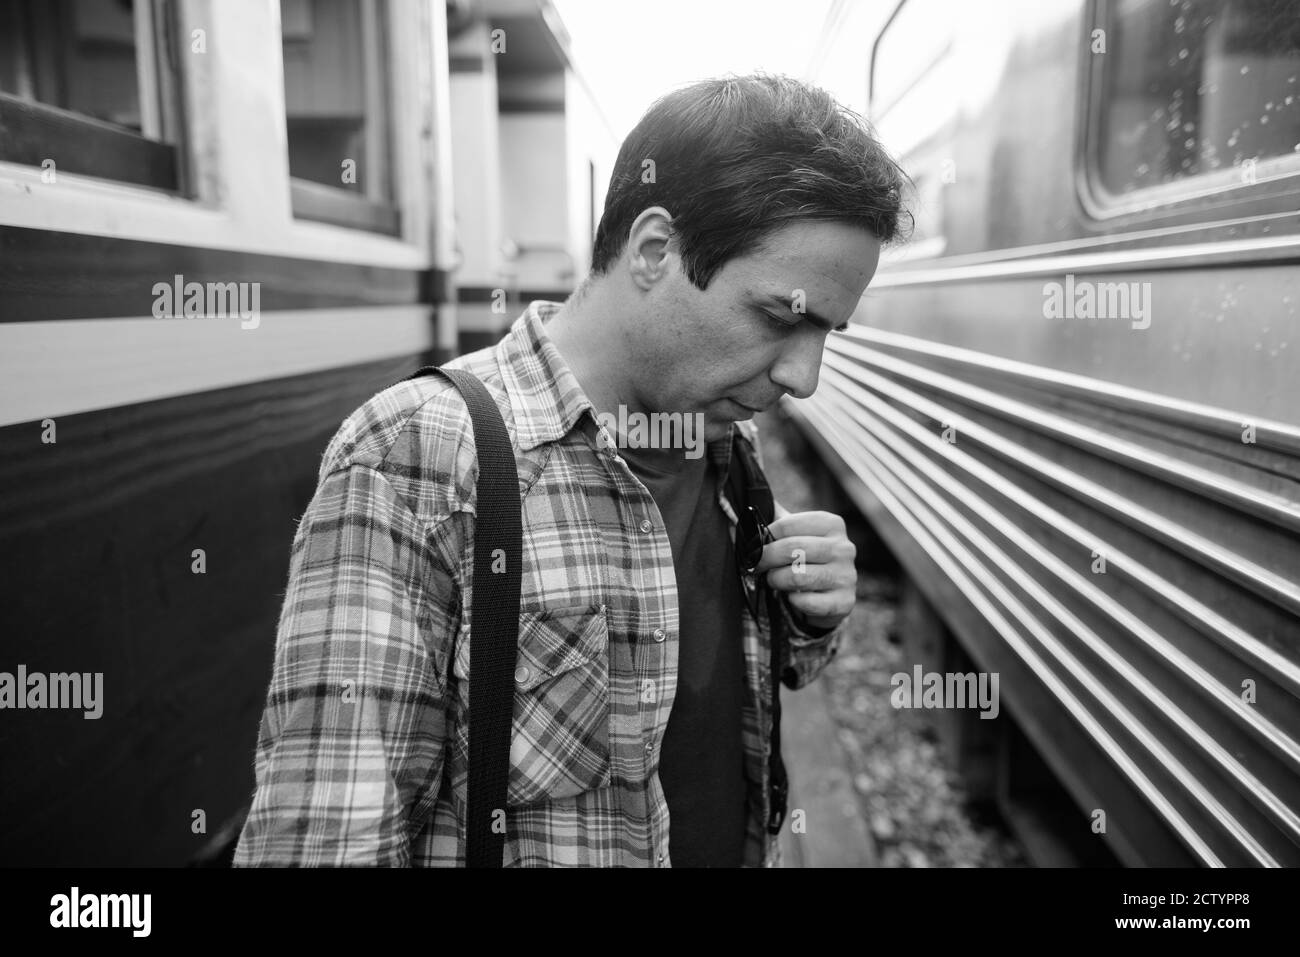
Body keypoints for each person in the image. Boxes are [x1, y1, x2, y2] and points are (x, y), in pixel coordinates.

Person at [234, 73, 910, 867]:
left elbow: (713, 694)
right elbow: (329, 843)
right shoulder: (413, 460)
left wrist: (808, 616)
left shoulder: (727, 448)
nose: (805, 377)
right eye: (780, 318)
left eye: (829, 333)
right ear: (655, 249)